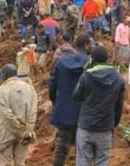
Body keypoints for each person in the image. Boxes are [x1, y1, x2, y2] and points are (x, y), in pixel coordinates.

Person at [73, 46, 126, 166]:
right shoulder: (118, 78)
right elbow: (119, 106)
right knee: (102, 161)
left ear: (92, 59)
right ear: (107, 59)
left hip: (86, 126)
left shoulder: (86, 76)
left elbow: (76, 96)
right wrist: (114, 123)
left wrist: (84, 71)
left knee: (83, 161)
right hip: (105, 127)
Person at [49, 34, 92, 166]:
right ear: (85, 45)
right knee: (83, 150)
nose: (92, 47)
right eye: (90, 44)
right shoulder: (90, 64)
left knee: (61, 149)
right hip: (83, 113)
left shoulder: (61, 62)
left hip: (63, 111)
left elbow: (52, 86)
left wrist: (56, 103)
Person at [0, 64, 37, 166]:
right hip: (25, 132)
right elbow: (33, 111)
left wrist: (17, 128)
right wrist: (27, 129)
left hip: (6, 132)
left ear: (4, 75)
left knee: (6, 163)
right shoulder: (30, 88)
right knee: (21, 162)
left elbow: (6, 115)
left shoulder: (1, 90)